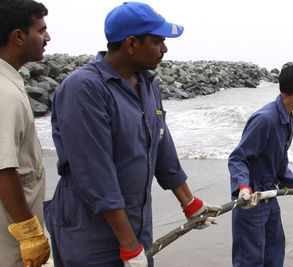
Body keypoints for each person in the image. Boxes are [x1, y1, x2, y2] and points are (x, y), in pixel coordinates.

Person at [44, 2, 221, 266]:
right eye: (157, 41)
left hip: (136, 224)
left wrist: (190, 203)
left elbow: (162, 148)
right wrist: (128, 246)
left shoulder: (148, 84)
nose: (165, 49)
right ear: (130, 44)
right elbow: (96, 173)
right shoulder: (84, 89)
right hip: (90, 233)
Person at [228, 62, 293, 267]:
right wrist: (243, 187)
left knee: (274, 254)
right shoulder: (265, 119)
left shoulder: (288, 118)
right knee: (250, 260)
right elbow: (238, 158)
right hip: (252, 200)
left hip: (270, 197)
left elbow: (278, 163)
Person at [0, 1, 52, 266]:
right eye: (41, 30)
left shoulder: (10, 81)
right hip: (10, 244)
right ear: (18, 36)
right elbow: (3, 169)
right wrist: (29, 233)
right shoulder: (4, 93)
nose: (48, 38)